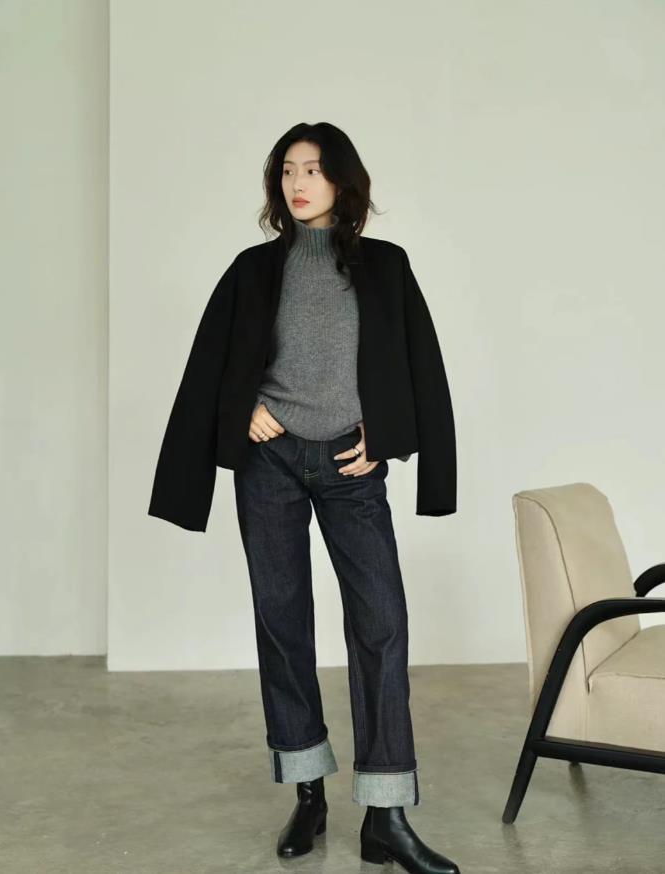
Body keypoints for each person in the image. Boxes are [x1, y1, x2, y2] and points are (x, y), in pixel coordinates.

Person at [150, 122, 460, 873]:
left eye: (314, 170)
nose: (298, 183)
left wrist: (385, 436)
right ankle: (308, 792)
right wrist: (244, 409)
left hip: (352, 468)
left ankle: (386, 815)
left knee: (381, 625)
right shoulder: (253, 269)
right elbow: (214, 364)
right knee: (282, 622)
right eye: (288, 170)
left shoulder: (385, 266)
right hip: (271, 465)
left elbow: (416, 361)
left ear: (342, 181)